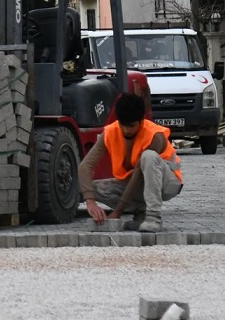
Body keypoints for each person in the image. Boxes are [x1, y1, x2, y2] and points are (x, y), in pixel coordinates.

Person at [77, 91, 182, 232]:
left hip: (168, 182)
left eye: (131, 126)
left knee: (148, 157)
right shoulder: (110, 132)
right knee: (86, 187)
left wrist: (117, 212)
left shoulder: (154, 136)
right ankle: (141, 214)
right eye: (123, 125)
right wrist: (90, 201)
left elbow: (138, 175)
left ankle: (153, 217)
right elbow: (85, 166)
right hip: (136, 184)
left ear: (141, 120)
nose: (126, 130)